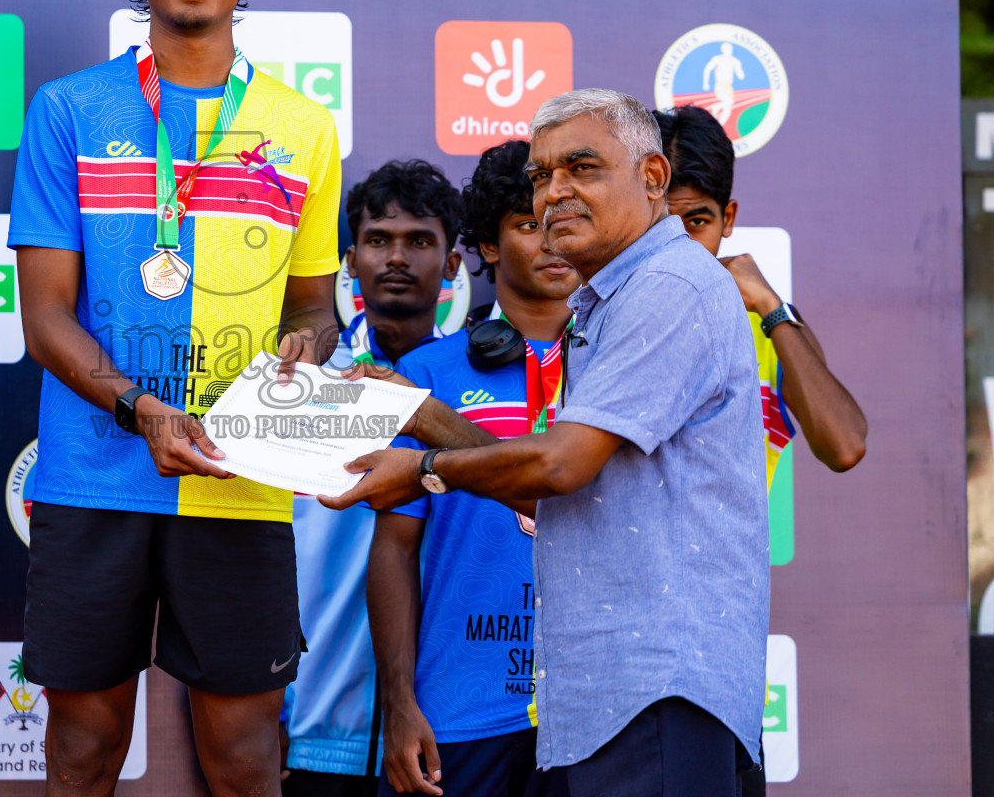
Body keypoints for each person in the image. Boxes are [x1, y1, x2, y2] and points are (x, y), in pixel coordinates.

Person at [8, 0, 341, 797]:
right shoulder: (70, 110)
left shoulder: (303, 125)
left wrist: (304, 354)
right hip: (94, 475)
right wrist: (141, 410)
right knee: (82, 753)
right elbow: (45, 319)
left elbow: (313, 306)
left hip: (239, 475)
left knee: (242, 761)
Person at [325, 89, 768, 796]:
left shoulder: (670, 285)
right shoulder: (613, 301)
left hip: (654, 693)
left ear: (653, 178)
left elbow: (560, 464)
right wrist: (424, 417)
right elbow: (546, 488)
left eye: (582, 167)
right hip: (603, 700)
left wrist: (426, 468)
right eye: (540, 176)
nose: (552, 193)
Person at [656, 105, 867, 796]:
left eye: (699, 222)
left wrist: (772, 307)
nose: (682, 245)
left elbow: (844, 444)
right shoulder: (598, 317)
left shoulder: (768, 328)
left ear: (730, 217)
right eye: (663, 222)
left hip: (725, 659)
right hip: (618, 663)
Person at [365, 141, 577, 797]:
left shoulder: (626, 370)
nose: (551, 242)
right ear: (485, 246)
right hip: (459, 708)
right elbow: (394, 550)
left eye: (563, 224)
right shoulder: (426, 376)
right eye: (525, 224)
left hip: (594, 706)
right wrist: (400, 704)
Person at [283, 160, 462, 797]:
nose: (396, 257)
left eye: (420, 241)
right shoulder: (297, 381)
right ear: (348, 260)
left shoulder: (474, 383)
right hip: (312, 714)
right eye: (378, 240)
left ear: (452, 265)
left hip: (449, 719)